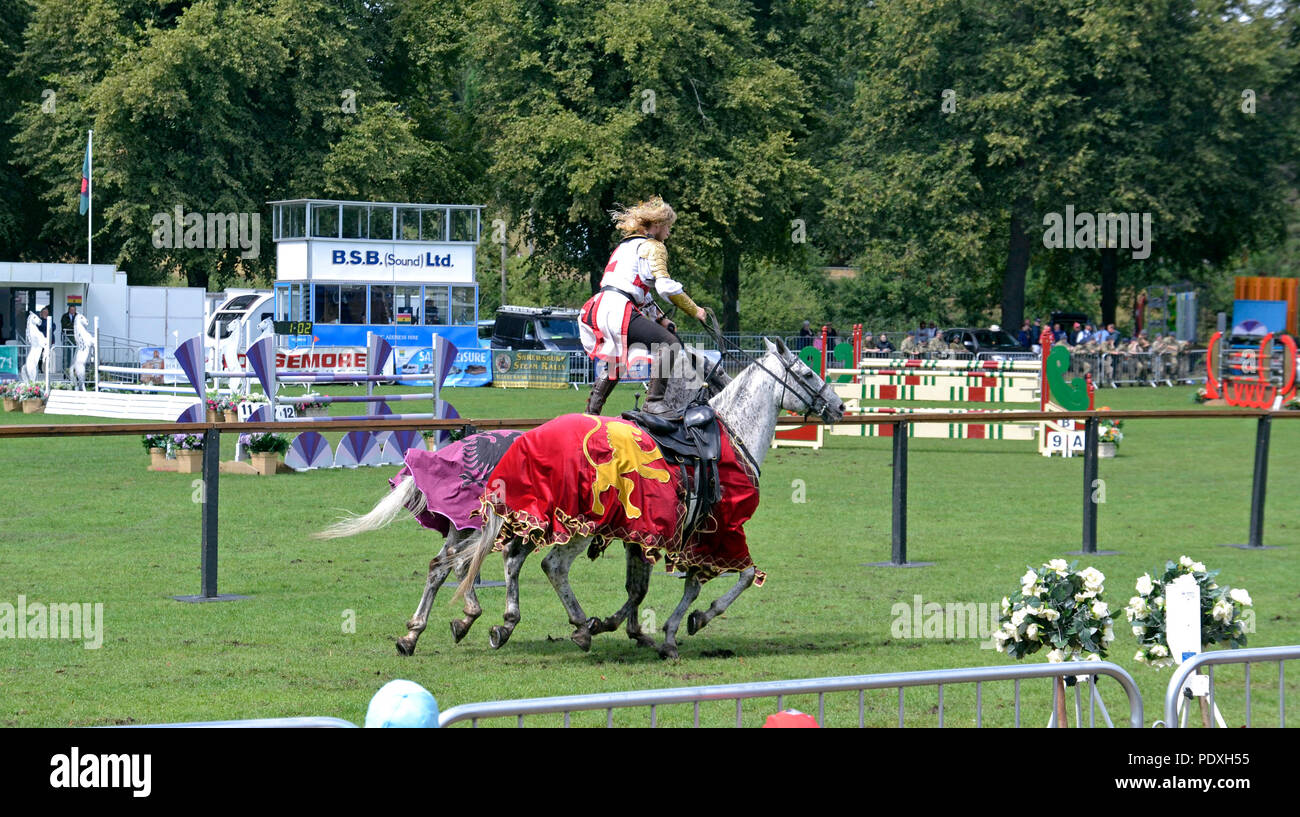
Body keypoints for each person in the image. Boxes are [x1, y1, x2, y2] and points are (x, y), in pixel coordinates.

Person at [579, 196, 706, 416]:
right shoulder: (652, 247)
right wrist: (695, 310)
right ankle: (654, 402)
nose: (669, 232)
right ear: (656, 225)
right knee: (670, 343)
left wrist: (660, 319)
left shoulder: (626, 245)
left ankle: (591, 413)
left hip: (601, 306)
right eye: (668, 227)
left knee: (615, 360)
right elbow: (665, 287)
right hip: (620, 307)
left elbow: (640, 291)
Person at [61, 305, 78, 371]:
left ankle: (74, 369)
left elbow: (79, 326)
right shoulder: (64, 316)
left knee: (75, 354)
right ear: (68, 310)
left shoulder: (78, 316)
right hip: (67, 337)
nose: (72, 311)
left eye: (73, 310)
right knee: (67, 354)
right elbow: (64, 326)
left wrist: (71, 325)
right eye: (71, 310)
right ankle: (66, 370)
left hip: (75, 337)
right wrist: (73, 325)